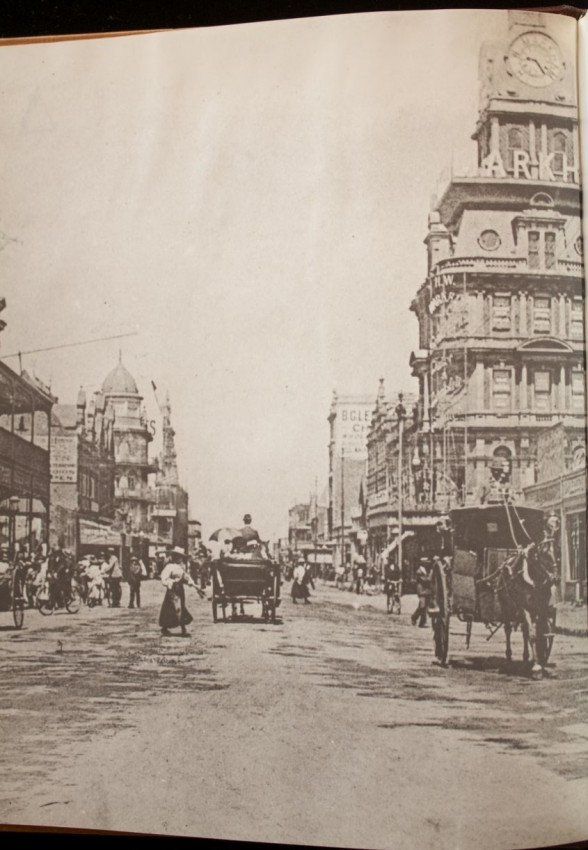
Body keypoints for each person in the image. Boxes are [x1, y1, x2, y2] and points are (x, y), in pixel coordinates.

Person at [159, 546, 205, 636]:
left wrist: (196, 587)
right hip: (172, 589)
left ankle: (182, 628)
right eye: (178, 556)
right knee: (172, 608)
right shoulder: (169, 566)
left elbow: (186, 578)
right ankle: (169, 628)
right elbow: (164, 578)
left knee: (180, 607)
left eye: (181, 557)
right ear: (174, 556)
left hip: (180, 589)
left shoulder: (181, 567)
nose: (180, 559)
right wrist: (170, 583)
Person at [412, 557, 432, 627]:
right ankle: (414, 617)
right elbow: (425, 580)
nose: (427, 564)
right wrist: (430, 576)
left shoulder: (426, 570)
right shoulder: (419, 571)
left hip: (427, 590)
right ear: (423, 563)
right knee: (422, 606)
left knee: (425, 606)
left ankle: (422, 622)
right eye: (426, 563)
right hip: (422, 590)